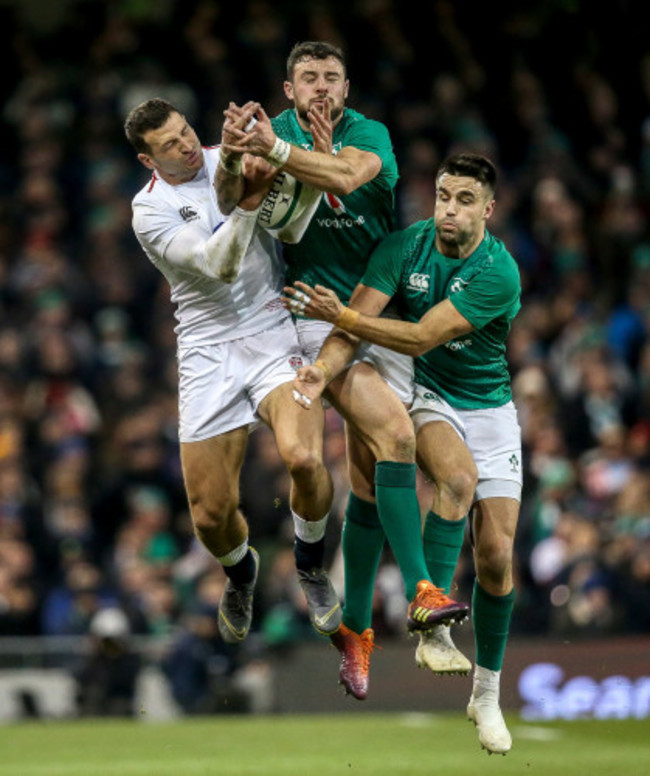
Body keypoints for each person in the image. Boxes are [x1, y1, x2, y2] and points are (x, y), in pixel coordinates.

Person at [216, 41, 469, 697]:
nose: (321, 88)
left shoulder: (369, 135)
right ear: (289, 87)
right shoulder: (269, 133)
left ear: (348, 87)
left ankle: (355, 631)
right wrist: (262, 155)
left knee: (366, 477)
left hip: (378, 308)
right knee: (394, 437)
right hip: (312, 315)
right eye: (309, 78)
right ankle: (421, 591)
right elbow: (235, 199)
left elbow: (350, 176)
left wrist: (281, 152)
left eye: (332, 77)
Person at [283, 152, 522, 755]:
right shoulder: (403, 247)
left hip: (490, 406)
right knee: (455, 480)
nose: (450, 209)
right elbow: (355, 321)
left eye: (465, 200)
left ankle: (486, 692)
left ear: (487, 210)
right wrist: (320, 372)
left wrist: (341, 315)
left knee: (495, 556)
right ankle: (430, 622)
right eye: (444, 195)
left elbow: (417, 334)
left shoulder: (499, 272)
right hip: (431, 391)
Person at [124, 97, 342, 645]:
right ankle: (240, 571)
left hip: (271, 331)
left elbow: (291, 228)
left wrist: (309, 165)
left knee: (305, 457)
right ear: (149, 162)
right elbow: (218, 266)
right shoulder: (149, 210)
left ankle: (311, 564)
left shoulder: (239, 155)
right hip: (207, 351)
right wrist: (248, 201)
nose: (186, 145)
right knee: (210, 515)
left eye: (186, 131)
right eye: (169, 145)